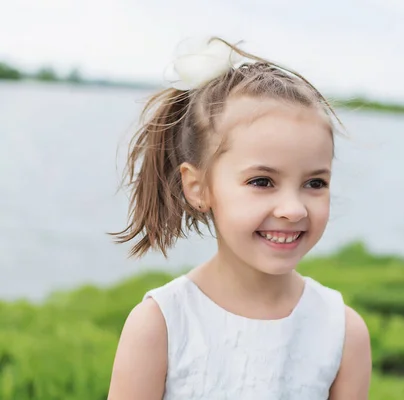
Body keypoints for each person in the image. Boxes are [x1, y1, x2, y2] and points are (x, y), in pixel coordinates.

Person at [106, 36, 372, 400]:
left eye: (315, 182)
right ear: (198, 187)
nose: (293, 209)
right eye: (262, 181)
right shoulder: (161, 326)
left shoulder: (343, 331)